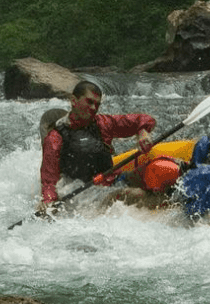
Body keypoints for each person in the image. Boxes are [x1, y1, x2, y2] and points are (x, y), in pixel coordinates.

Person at [37, 81, 156, 214]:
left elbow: (143, 118)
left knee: (157, 170)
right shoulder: (55, 137)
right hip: (85, 198)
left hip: (112, 182)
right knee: (135, 194)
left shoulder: (103, 123)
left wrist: (143, 132)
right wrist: (48, 202)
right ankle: (164, 205)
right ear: (73, 101)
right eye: (89, 102)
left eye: (97, 104)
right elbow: (49, 179)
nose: (94, 107)